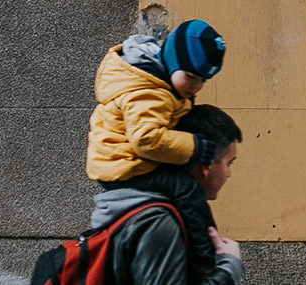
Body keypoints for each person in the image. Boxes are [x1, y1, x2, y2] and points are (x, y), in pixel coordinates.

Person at [87, 19, 229, 274]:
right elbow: (147, 140)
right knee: (187, 190)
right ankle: (206, 260)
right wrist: (194, 146)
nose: (197, 86)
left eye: (203, 80)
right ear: (173, 60)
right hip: (124, 167)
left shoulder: (158, 81)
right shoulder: (149, 91)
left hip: (125, 161)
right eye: (192, 76)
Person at [89, 104, 244, 284]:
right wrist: (229, 268)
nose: (228, 173)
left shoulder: (136, 207)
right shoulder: (159, 222)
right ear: (206, 166)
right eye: (229, 163)